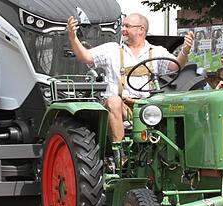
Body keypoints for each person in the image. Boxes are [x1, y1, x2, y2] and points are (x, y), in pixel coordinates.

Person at [67, 12, 194, 143]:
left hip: (148, 107)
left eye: (127, 26)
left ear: (141, 30)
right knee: (113, 101)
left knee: (175, 103)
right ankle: (119, 151)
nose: (123, 29)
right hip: (122, 108)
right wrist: (73, 38)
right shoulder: (112, 49)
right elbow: (86, 57)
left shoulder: (156, 51)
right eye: (123, 26)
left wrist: (185, 51)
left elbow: (175, 66)